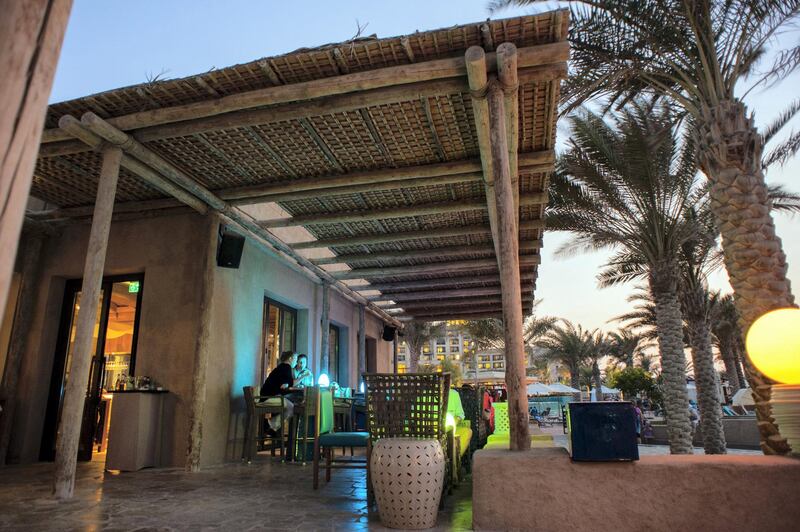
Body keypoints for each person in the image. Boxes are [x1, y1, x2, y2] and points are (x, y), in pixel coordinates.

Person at [260, 350, 297, 435]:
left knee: (288, 405)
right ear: (290, 358)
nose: (296, 361)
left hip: (264, 396)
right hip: (269, 398)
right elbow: (284, 386)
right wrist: (303, 377)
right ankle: (270, 425)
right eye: (295, 359)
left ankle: (270, 426)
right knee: (292, 408)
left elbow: (284, 384)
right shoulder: (286, 367)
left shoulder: (281, 367)